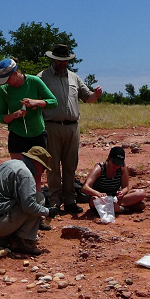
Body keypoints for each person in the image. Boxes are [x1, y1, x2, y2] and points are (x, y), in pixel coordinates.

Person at [38, 44, 102, 214]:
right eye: (59, 60)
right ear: (53, 59)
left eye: (65, 61)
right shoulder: (42, 77)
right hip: (51, 126)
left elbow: (87, 97)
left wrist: (96, 95)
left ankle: (70, 200)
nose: (63, 63)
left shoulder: (74, 77)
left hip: (72, 128)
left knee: (70, 166)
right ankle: (55, 201)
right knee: (52, 166)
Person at [0, 146, 60, 258]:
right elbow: (29, 206)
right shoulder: (25, 174)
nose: (43, 171)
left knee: (28, 201)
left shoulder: (8, 164)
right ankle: (22, 241)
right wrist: (48, 211)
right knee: (39, 199)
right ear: (36, 162)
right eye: (43, 167)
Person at [0, 58, 57, 160]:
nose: (5, 83)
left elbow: (53, 102)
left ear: (15, 74)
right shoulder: (4, 90)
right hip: (17, 135)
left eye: (7, 79)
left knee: (37, 168)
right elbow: (1, 117)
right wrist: (13, 116)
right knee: (18, 168)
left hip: (37, 134)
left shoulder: (34, 81)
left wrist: (36, 102)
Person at [81, 147, 146, 214]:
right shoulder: (100, 168)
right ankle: (124, 209)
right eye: (114, 162)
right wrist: (98, 194)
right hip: (101, 199)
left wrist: (122, 193)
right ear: (109, 158)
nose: (116, 166)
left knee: (141, 193)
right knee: (94, 201)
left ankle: (114, 208)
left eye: (119, 163)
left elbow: (126, 187)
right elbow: (85, 187)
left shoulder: (122, 168)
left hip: (116, 199)